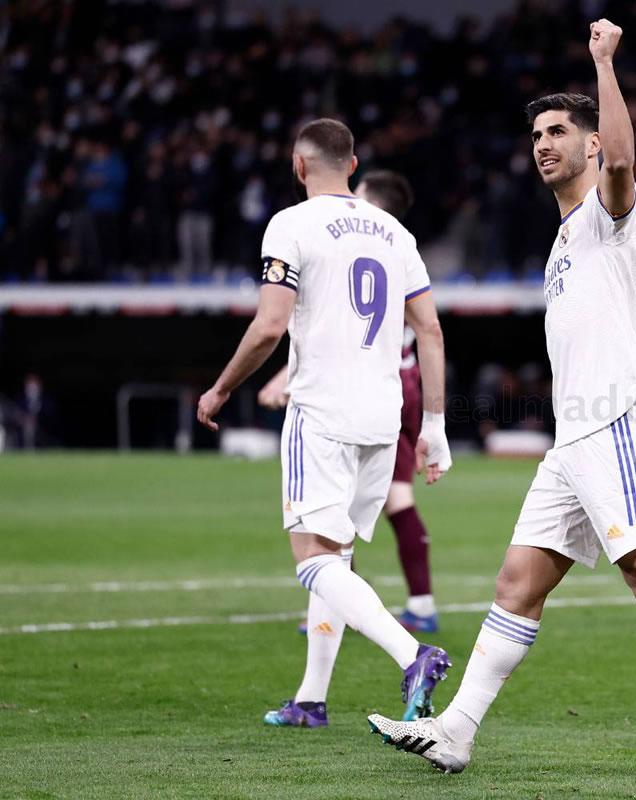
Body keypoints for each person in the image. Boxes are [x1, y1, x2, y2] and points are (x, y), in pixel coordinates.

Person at [366, 20, 636, 782]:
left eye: (559, 131)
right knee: (517, 582)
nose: (543, 143)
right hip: (574, 440)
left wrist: (603, 63)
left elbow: (621, 156)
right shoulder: (561, 241)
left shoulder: (608, 217)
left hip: (614, 423)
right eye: (537, 134)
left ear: (587, 145)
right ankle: (454, 731)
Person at [196, 119, 455, 729]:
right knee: (335, 559)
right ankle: (311, 699)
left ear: (298, 165)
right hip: (384, 415)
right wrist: (435, 428)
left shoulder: (291, 224)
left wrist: (221, 388)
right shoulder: (396, 231)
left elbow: (267, 327)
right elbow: (432, 331)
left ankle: (412, 653)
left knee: (312, 560)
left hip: (323, 410)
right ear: (355, 162)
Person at [259, 169, 439, 633]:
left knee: (344, 510)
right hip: (394, 387)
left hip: (368, 386)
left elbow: (334, 334)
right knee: (371, 504)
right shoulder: (399, 244)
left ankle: (389, 616)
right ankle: (392, 604)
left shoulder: (362, 242)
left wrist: (284, 377)